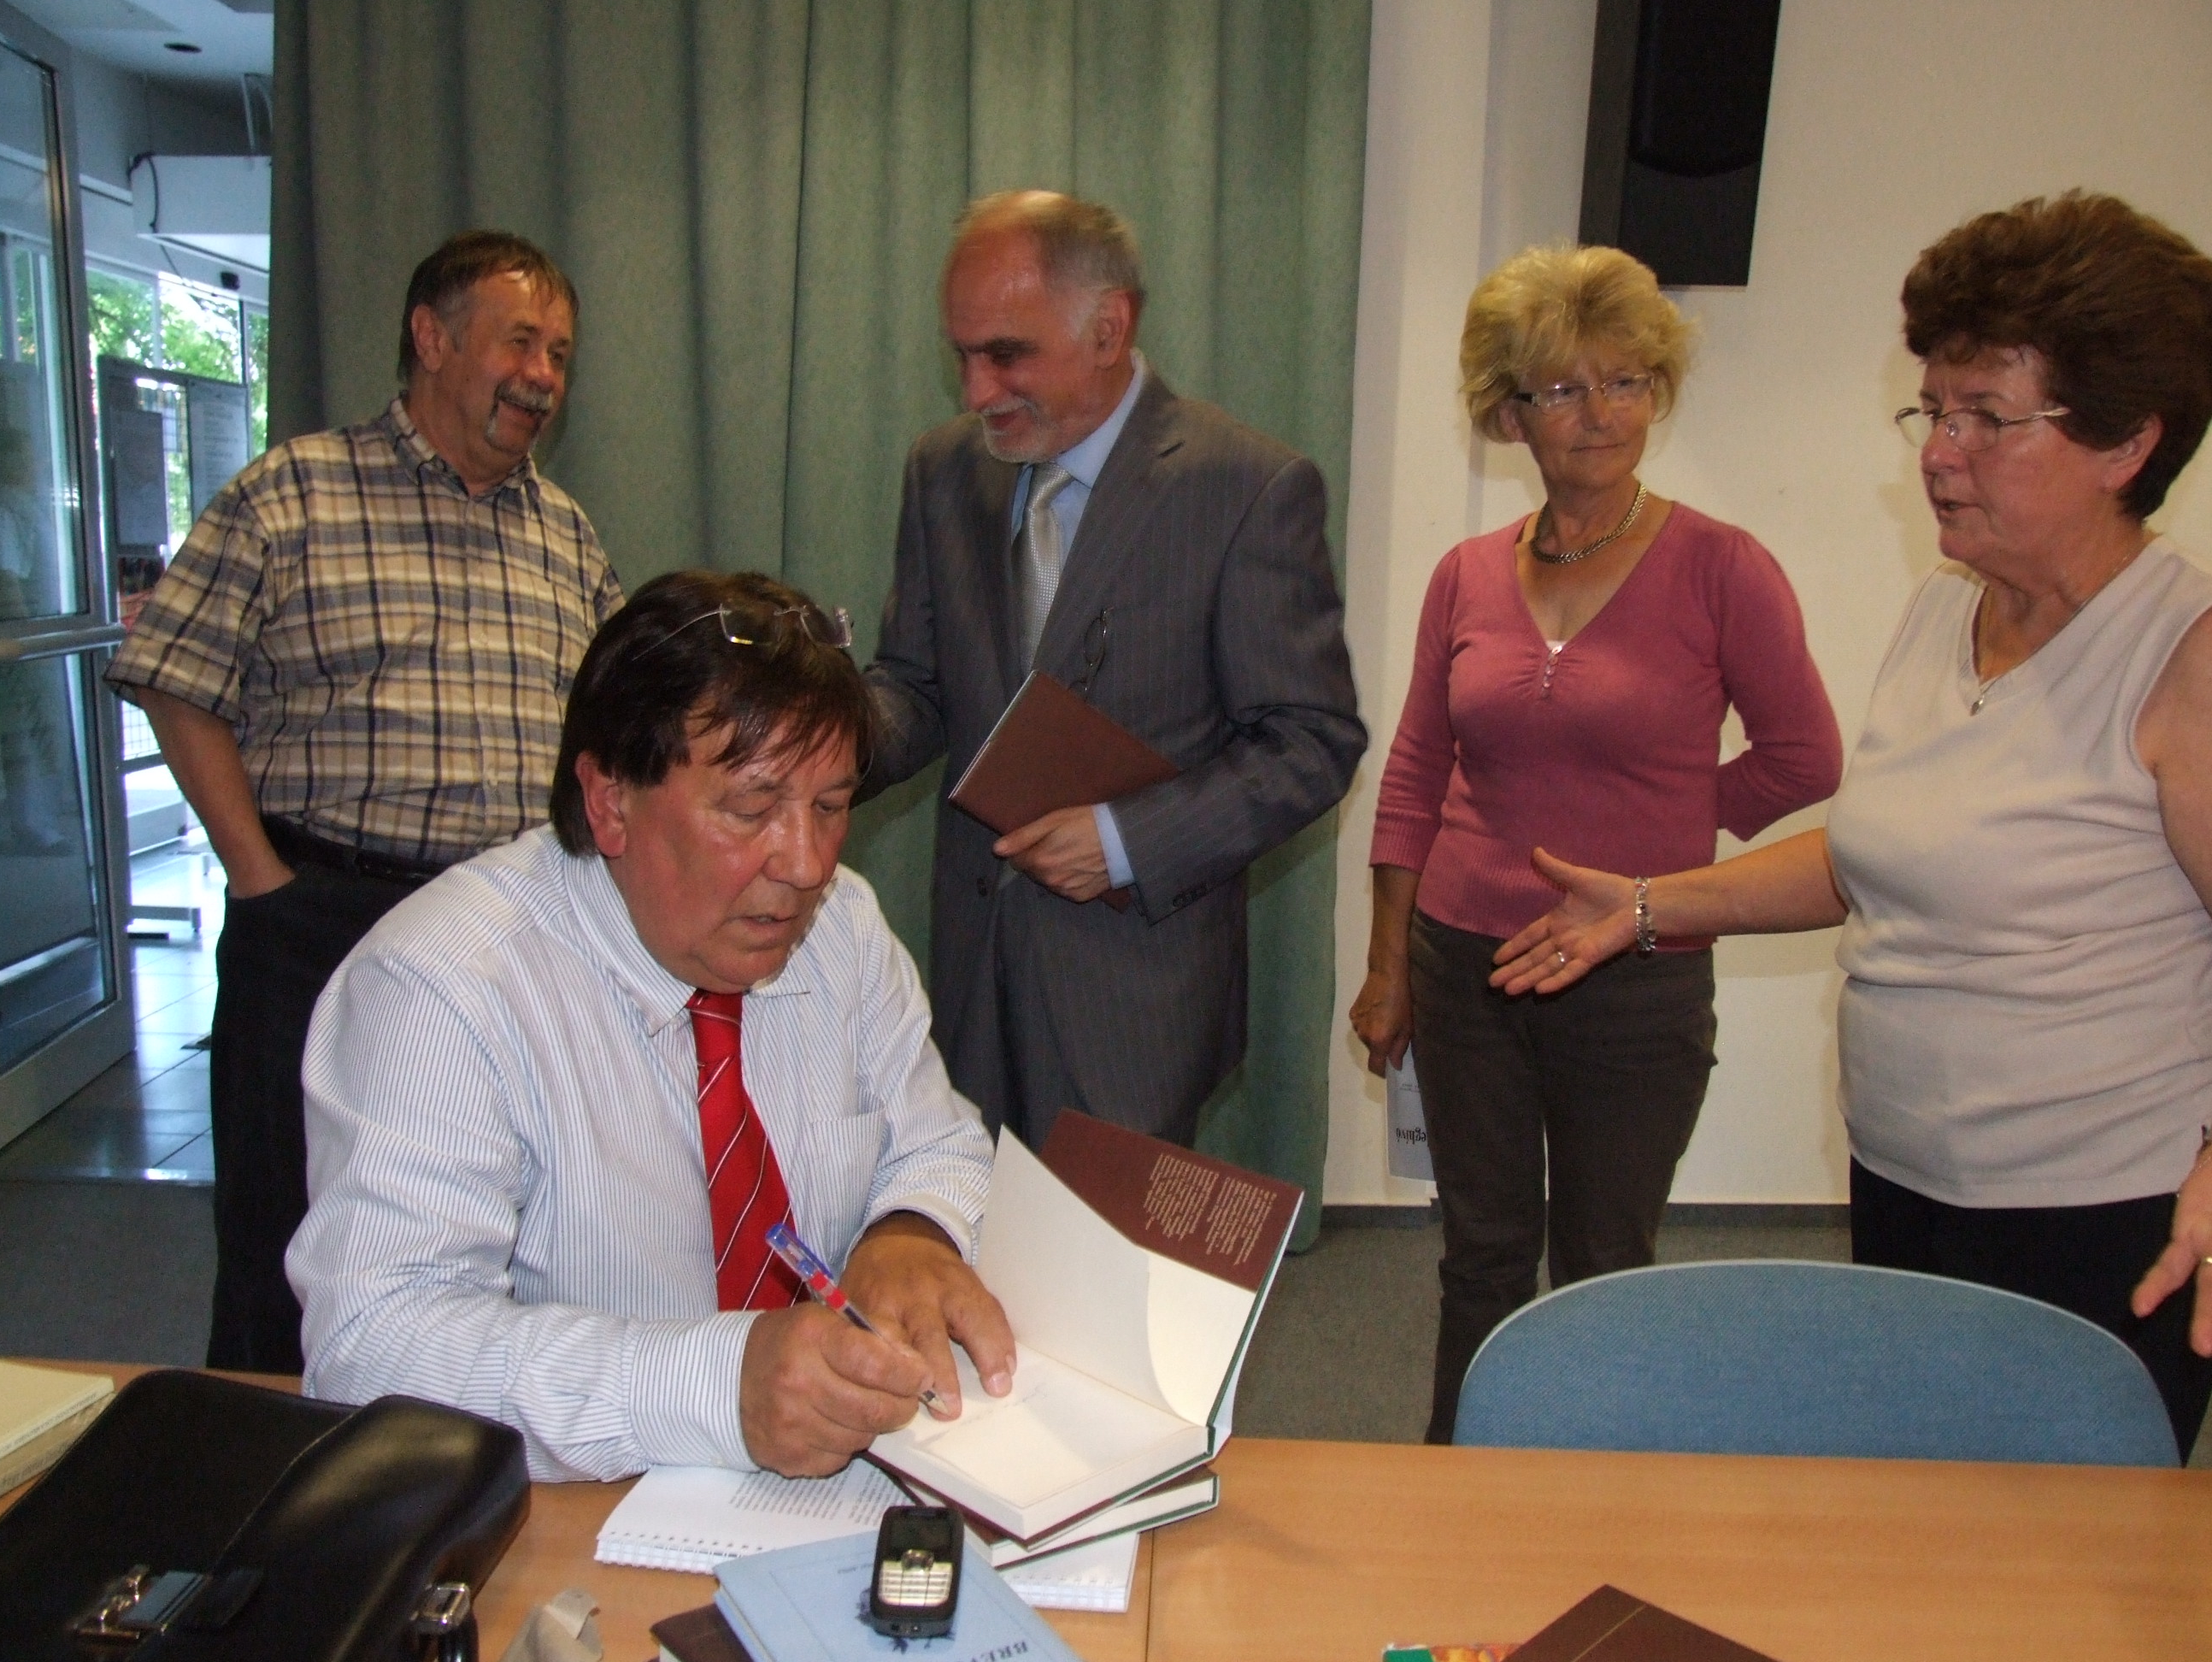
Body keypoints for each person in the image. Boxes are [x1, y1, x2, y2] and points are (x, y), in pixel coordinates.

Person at [1491, 192, 2212, 1459]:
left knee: (2054, 1554)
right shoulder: (1946, 608)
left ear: (2126, 442)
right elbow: (1878, 856)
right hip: (1903, 1177)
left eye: (1987, 417)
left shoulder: (2181, 656)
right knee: (1913, 1518)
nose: (1938, 452)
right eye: (1933, 409)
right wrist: (1649, 906)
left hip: (2099, 1213)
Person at [289, 570, 1013, 1481]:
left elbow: (939, 1142)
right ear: (610, 803)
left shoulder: (843, 929)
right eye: (752, 809)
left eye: (830, 808)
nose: (806, 864)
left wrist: (911, 1232)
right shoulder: (441, 985)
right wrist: (713, 1388)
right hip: (577, 1513)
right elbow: (373, 1347)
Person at [104, 231, 623, 1374]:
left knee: (501, 1231)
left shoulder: (566, 533)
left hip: (506, 935)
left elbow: (610, 732)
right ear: (431, 337)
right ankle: (268, 1470)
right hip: (321, 920)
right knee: (290, 1236)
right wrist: (263, 884)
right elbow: (174, 679)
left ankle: (461, 1455)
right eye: (520, 342)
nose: (542, 375)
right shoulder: (291, 493)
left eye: (559, 353)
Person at [1350, 243, 1844, 1444]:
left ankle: (1592, 1498)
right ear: (1509, 411)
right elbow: (1415, 773)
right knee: (1481, 1254)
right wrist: (1387, 964)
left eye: (1628, 382)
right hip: (1466, 963)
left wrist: (1667, 834)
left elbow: (1805, 759)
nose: (1603, 413)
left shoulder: (1723, 566)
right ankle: (1458, 1484)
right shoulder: (1466, 576)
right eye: (1566, 388)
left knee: (1605, 1262)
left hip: (1633, 973)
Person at [863, 189, 1365, 1151]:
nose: (975, 392)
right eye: (961, 356)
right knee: (962, 1229)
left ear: (1108, 328)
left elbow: (1312, 743)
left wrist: (1125, 841)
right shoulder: (943, 471)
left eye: (1006, 355)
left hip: (1135, 999)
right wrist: (820, 739)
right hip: (972, 979)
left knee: (1103, 1246)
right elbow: (916, 688)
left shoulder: (1247, 487)